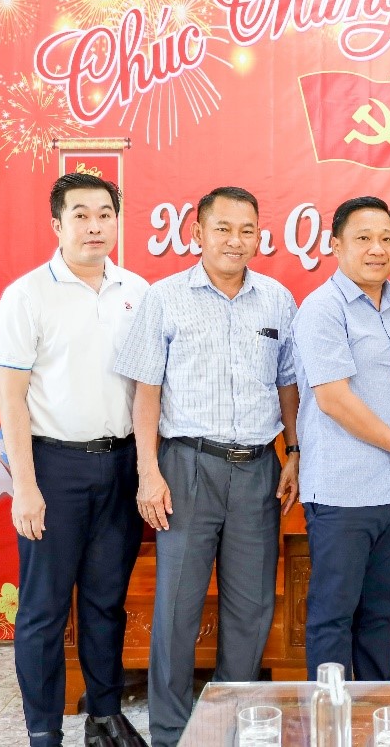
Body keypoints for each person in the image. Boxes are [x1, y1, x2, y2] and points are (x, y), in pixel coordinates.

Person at [113, 187, 300, 747]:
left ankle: (230, 722)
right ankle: (171, 732)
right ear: (197, 233)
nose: (235, 241)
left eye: (247, 230)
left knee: (251, 605)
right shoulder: (166, 298)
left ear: (259, 236)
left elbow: (288, 384)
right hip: (186, 466)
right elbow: (146, 392)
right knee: (178, 604)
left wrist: (293, 452)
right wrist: (148, 471)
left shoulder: (277, 300)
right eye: (223, 228)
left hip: (258, 469)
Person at [0, 173, 150, 747]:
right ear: (57, 224)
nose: (94, 226)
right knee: (44, 608)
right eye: (80, 215)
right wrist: (25, 486)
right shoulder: (27, 296)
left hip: (120, 464)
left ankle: (104, 718)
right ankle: (44, 731)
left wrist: (146, 469)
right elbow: (10, 397)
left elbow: (148, 388)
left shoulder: (138, 291)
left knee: (107, 601)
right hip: (53, 468)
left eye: (105, 214)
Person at [291, 195, 390, 680]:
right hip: (344, 492)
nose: (376, 249)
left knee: (384, 612)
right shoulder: (322, 309)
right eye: (363, 238)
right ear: (335, 245)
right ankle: (332, 715)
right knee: (333, 615)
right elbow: (334, 400)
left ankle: (376, 709)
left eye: (386, 238)